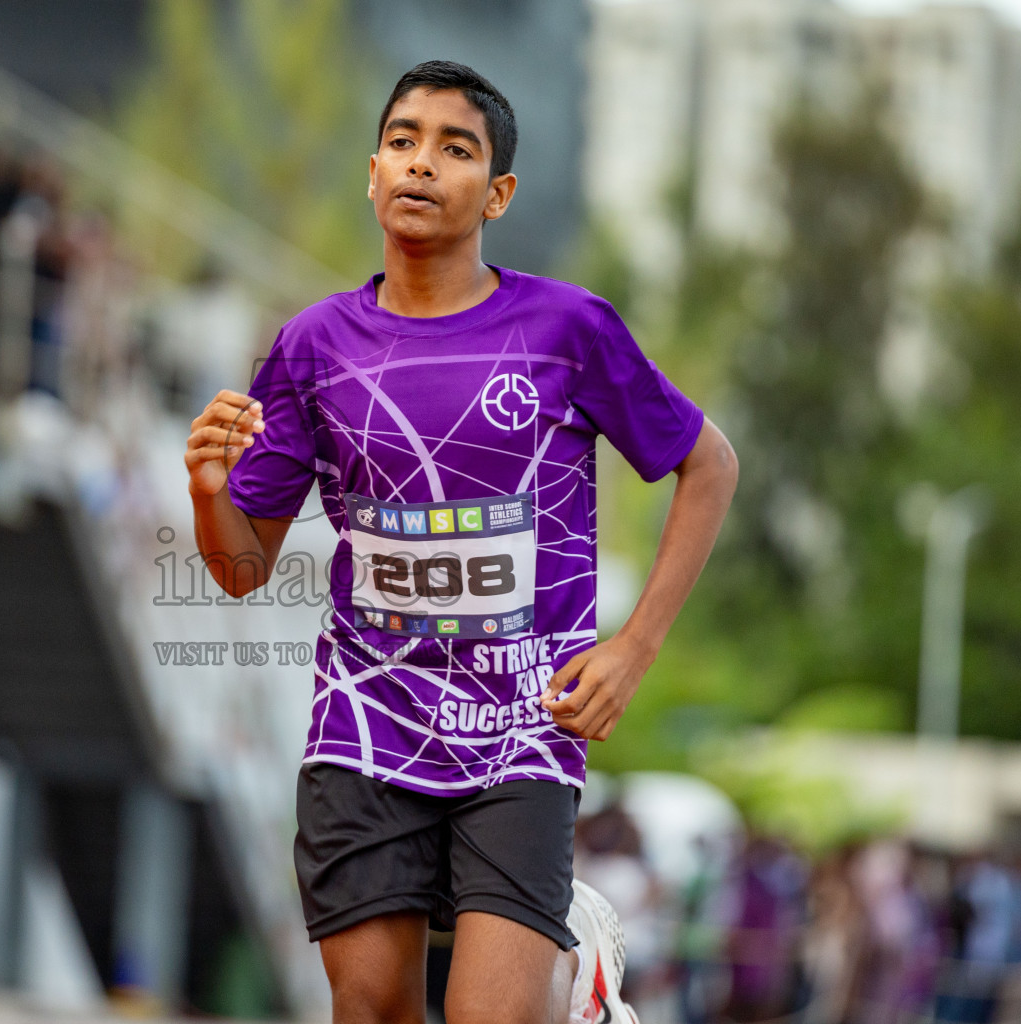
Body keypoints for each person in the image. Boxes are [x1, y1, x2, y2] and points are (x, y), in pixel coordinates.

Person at [184, 61, 739, 1024]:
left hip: (523, 726)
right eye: (402, 141)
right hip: (366, 718)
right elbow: (241, 571)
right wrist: (205, 493)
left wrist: (634, 648)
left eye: (455, 148)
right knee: (371, 1008)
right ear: (370, 173)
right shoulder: (310, 348)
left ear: (498, 192)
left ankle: (577, 982)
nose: (422, 164)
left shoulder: (567, 328)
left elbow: (710, 464)